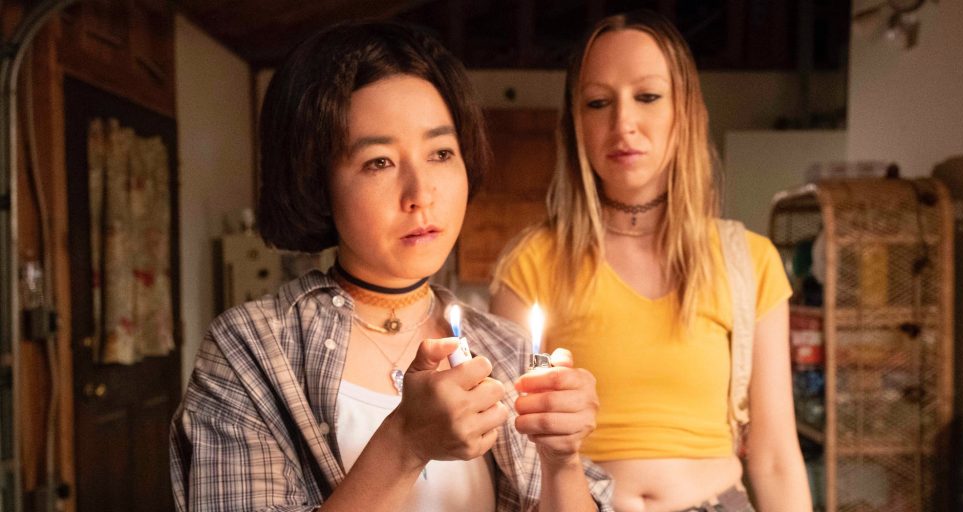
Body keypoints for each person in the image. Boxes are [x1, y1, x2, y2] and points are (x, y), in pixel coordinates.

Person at [170, 21, 613, 512]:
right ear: (317, 181)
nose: (421, 194)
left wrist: (561, 462)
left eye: (441, 153)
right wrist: (404, 443)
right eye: (379, 161)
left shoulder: (505, 349)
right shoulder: (253, 349)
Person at [490, 10, 811, 512]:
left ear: (686, 112)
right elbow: (513, 457)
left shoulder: (750, 262)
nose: (623, 123)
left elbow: (774, 459)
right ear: (576, 124)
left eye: (648, 96)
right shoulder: (531, 263)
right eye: (598, 103)